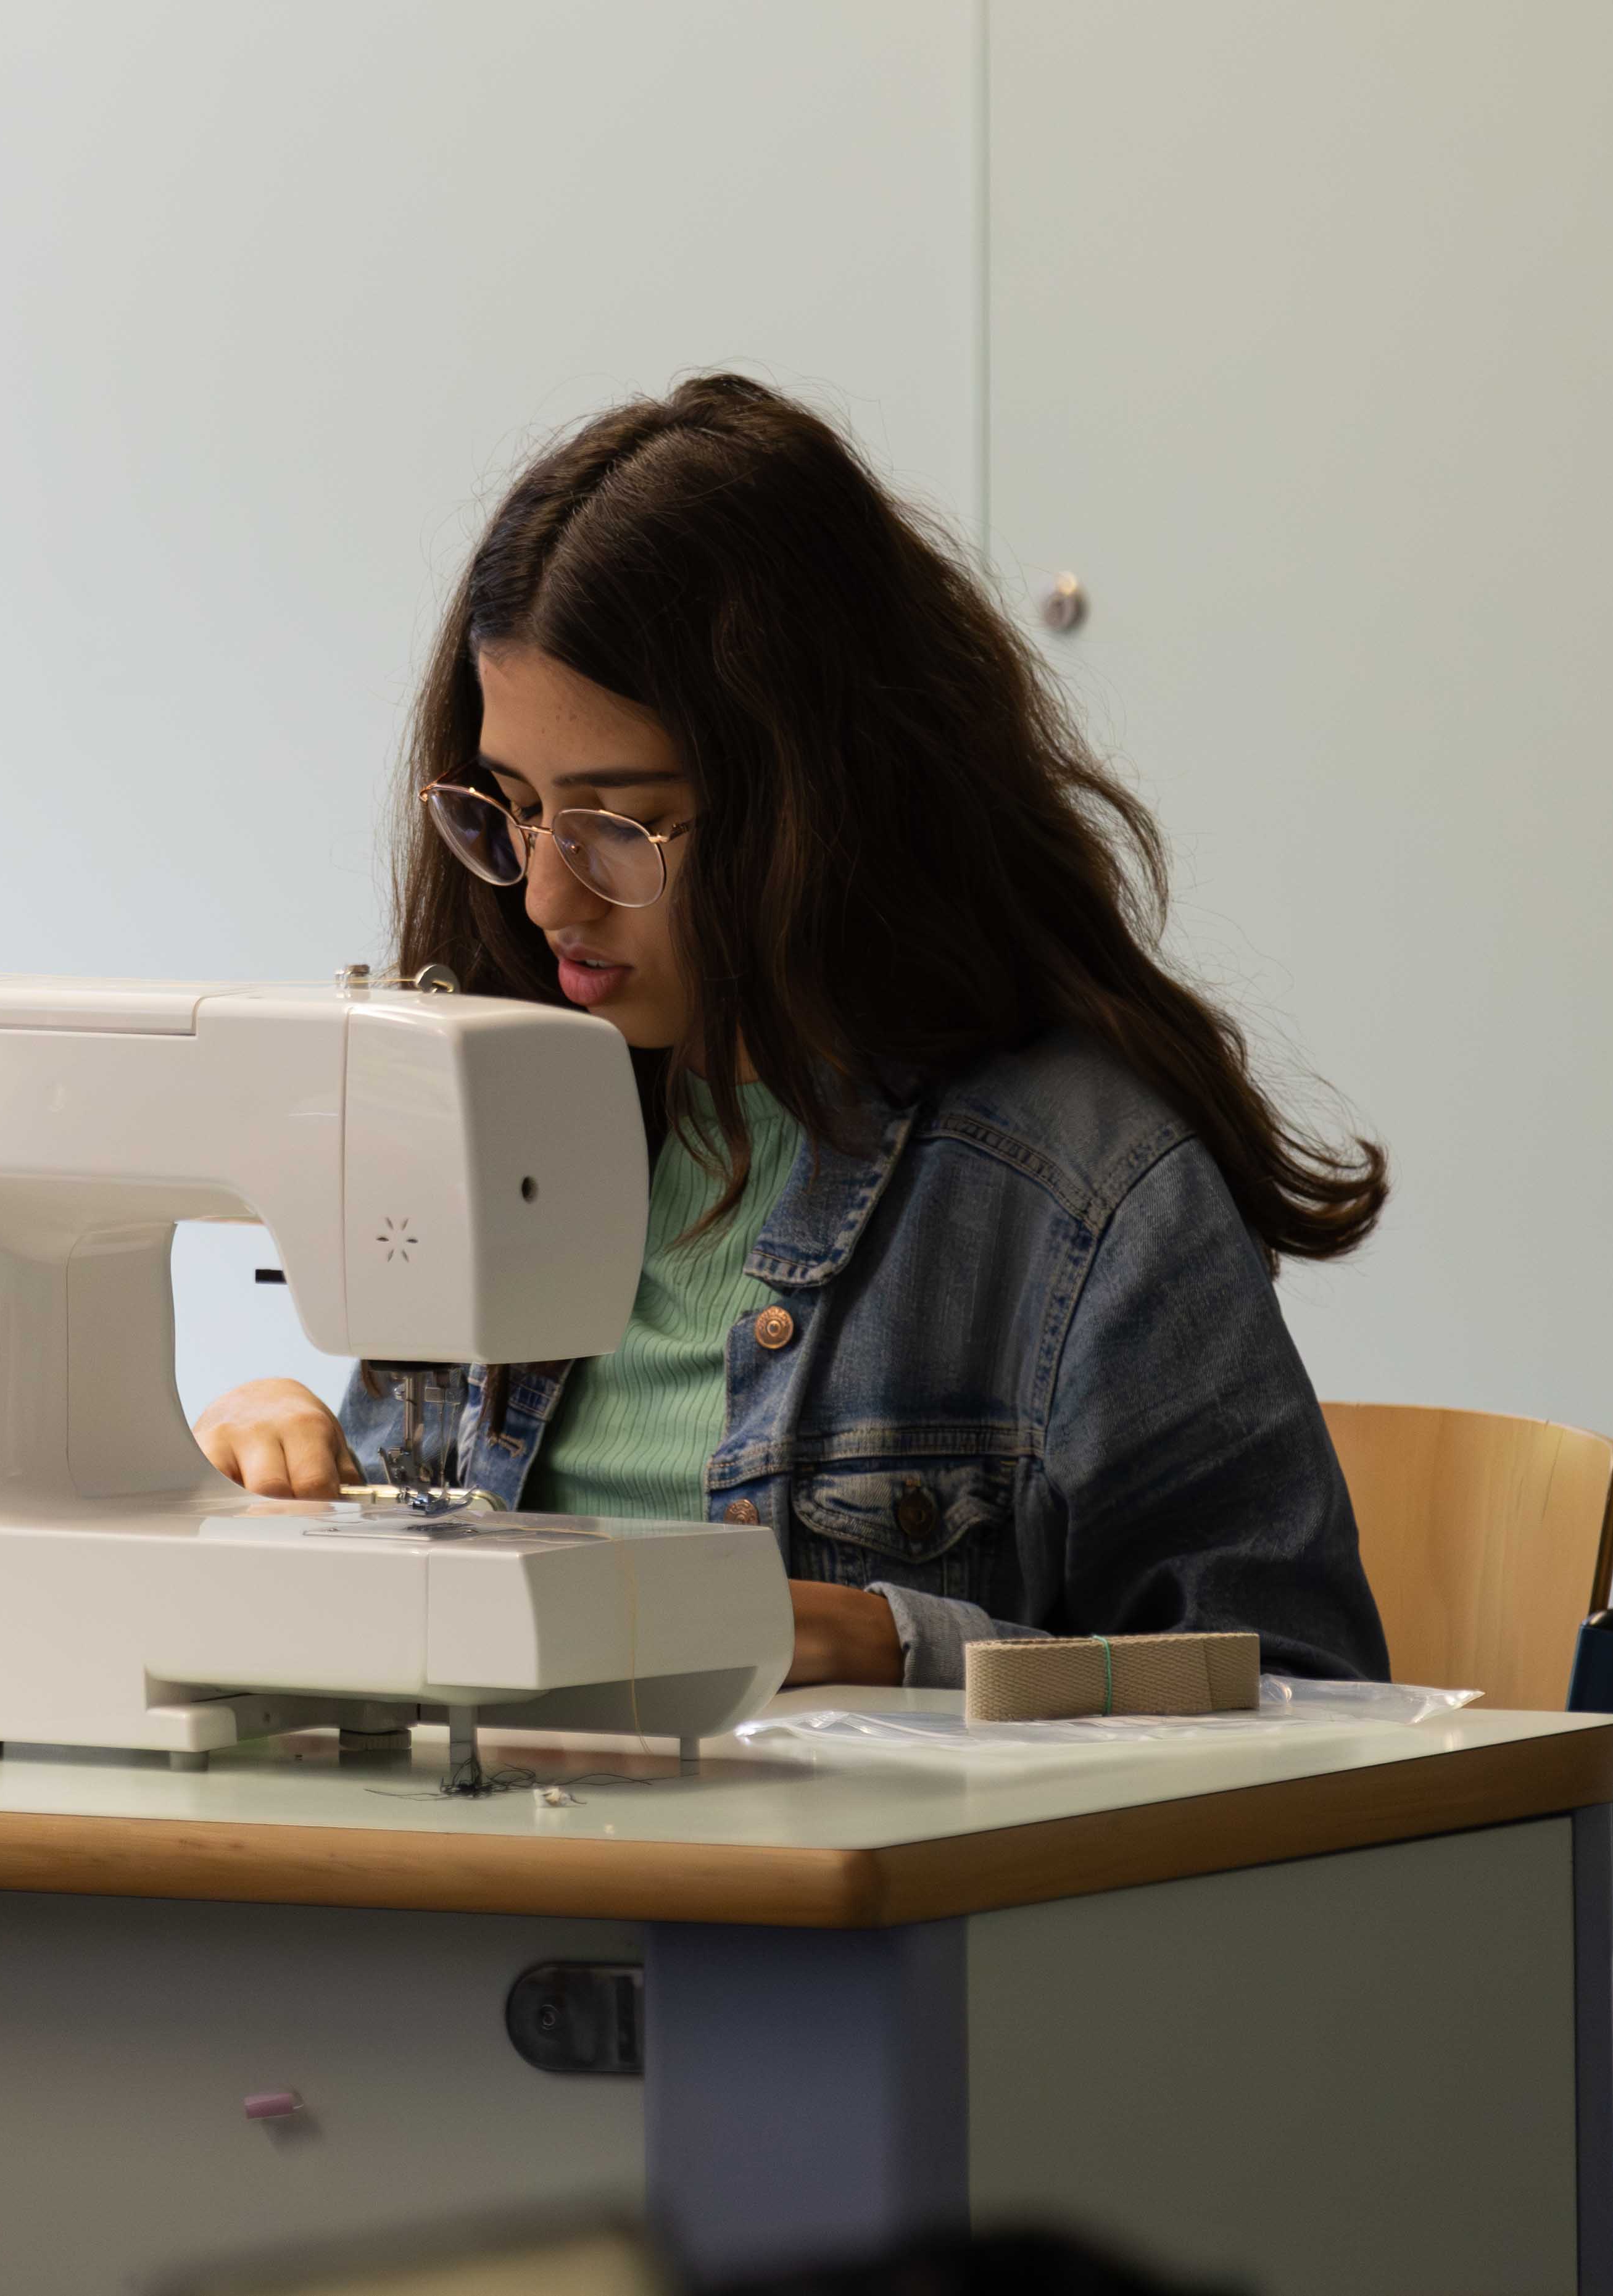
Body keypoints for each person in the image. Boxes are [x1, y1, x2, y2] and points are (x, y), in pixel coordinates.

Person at [193, 375, 1391, 1687]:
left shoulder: (1082, 1195)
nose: (543, 897)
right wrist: (278, 1475)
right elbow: (414, 1588)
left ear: (814, 800)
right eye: (515, 807)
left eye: (618, 822)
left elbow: (1310, 1702)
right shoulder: (504, 1122)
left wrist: (897, 1646)